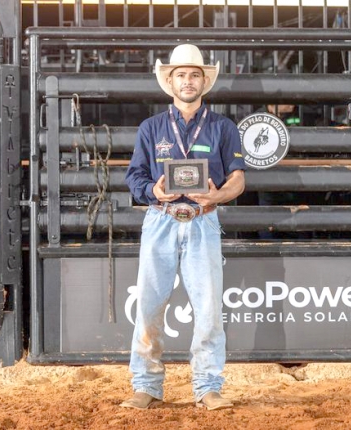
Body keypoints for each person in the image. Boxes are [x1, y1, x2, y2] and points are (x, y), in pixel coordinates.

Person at [122, 44, 246, 410]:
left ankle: (208, 387)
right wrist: (153, 191)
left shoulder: (223, 128)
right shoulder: (151, 128)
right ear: (170, 81)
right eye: (181, 74)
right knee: (148, 305)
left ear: (204, 81)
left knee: (208, 309)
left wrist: (216, 197)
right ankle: (146, 386)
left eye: (194, 75)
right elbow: (134, 177)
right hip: (160, 219)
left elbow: (238, 179)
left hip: (202, 220)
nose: (187, 81)